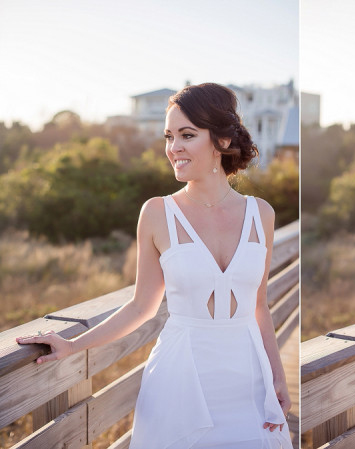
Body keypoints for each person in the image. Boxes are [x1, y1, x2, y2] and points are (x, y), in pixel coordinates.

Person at [16, 83, 294, 449]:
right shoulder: (157, 213)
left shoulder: (262, 214)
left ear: (223, 141)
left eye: (187, 135)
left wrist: (278, 375)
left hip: (249, 378)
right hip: (180, 380)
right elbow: (141, 306)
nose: (173, 148)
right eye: (169, 136)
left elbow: (258, 305)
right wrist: (72, 345)